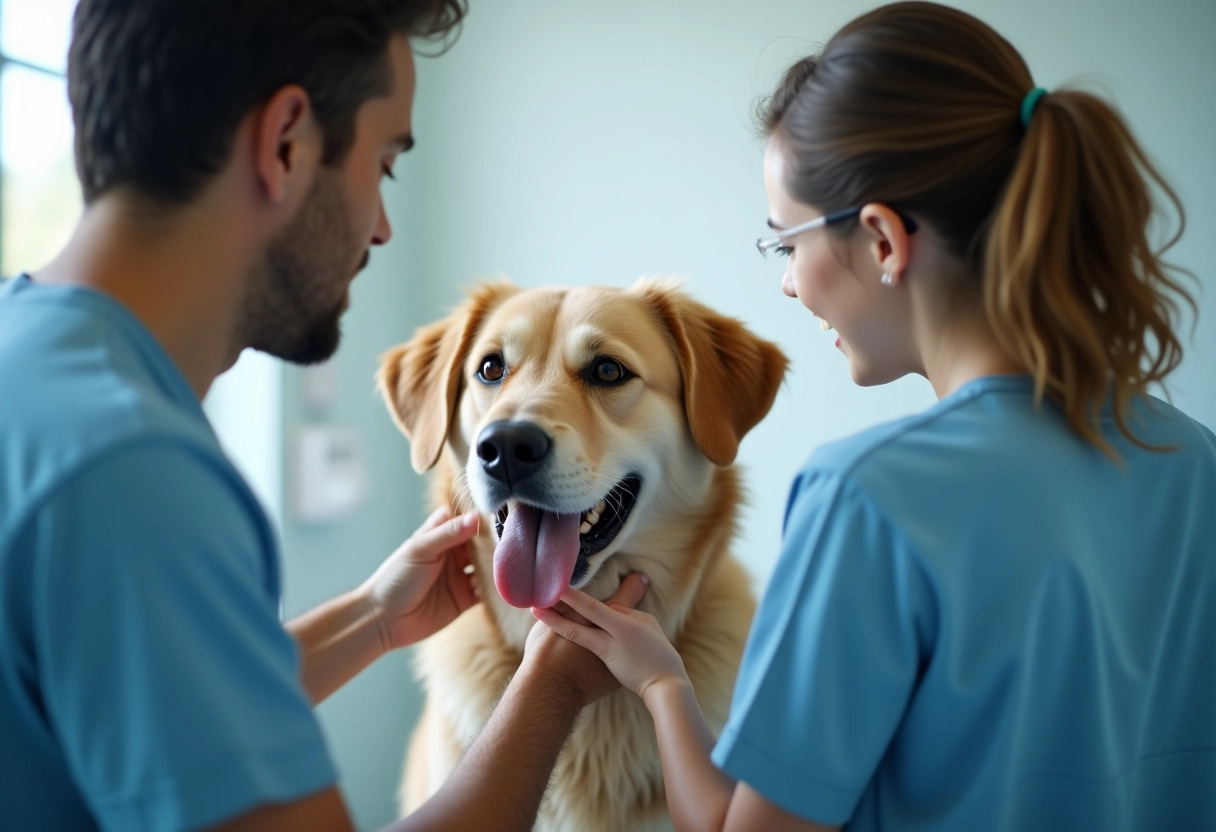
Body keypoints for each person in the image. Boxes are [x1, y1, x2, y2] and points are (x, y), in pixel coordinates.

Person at [535, 3, 1216, 830]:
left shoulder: (867, 495)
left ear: (884, 240)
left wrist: (662, 685)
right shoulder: (1191, 461)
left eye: (786, 244)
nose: (789, 284)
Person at [0, 2, 648, 831]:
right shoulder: (132, 468)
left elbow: (137, 702)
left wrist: (373, 617)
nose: (381, 227)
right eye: (383, 165)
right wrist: (551, 689)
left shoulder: (38, 371)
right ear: (286, 144)